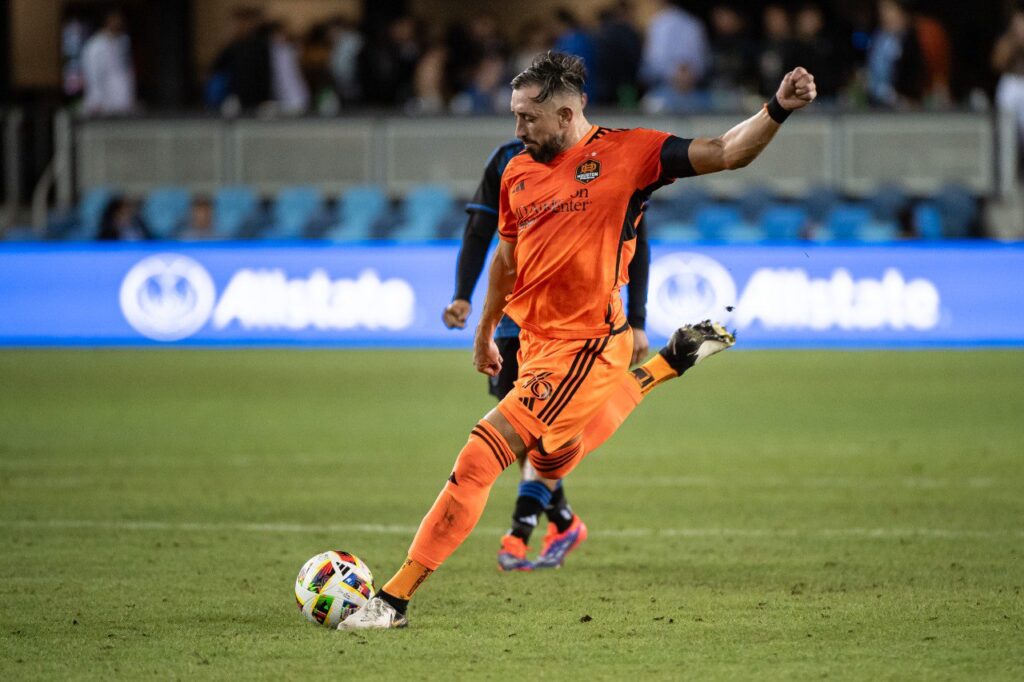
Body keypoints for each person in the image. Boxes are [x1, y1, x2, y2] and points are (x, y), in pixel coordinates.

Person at [340, 51, 816, 630]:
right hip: (535, 345)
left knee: (479, 458)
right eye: (514, 117)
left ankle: (391, 601)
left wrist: (777, 108)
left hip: (588, 345)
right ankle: (668, 364)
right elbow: (507, 262)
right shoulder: (517, 171)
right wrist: (485, 333)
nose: (516, 130)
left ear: (566, 114)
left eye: (526, 119)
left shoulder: (632, 153)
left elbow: (726, 151)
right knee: (551, 456)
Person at [442, 137, 651, 571]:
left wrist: (639, 317)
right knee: (519, 428)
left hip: (575, 325)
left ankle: (521, 533)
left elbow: (637, 239)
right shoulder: (505, 160)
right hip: (513, 320)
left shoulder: (606, 158)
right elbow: (483, 229)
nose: (525, 120)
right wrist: (463, 295)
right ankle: (562, 521)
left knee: (538, 428)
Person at [81, 9, 136, 115]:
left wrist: (130, 98)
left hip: (123, 104)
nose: (119, 24)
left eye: (120, 21)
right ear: (108, 21)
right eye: (115, 20)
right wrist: (96, 100)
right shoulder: (95, 46)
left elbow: (126, 74)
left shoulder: (123, 42)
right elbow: (92, 75)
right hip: (102, 105)